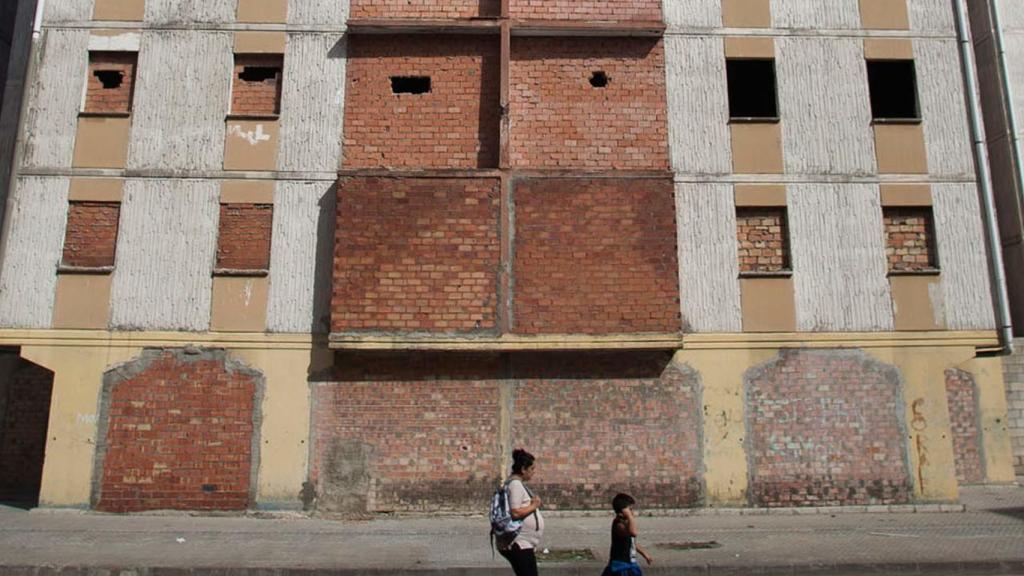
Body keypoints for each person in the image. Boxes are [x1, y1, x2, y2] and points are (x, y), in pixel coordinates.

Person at [498, 448, 544, 576]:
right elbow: (515, 513)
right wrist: (534, 506)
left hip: (523, 543)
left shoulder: (514, 484)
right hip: (519, 543)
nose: (533, 472)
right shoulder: (515, 485)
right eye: (532, 469)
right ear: (523, 469)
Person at [602, 493, 653, 576]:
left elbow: (632, 542)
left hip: (629, 564)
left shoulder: (626, 523)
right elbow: (633, 533)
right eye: (630, 509)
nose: (632, 512)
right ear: (623, 511)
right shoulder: (619, 524)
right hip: (621, 566)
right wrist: (630, 516)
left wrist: (644, 554)